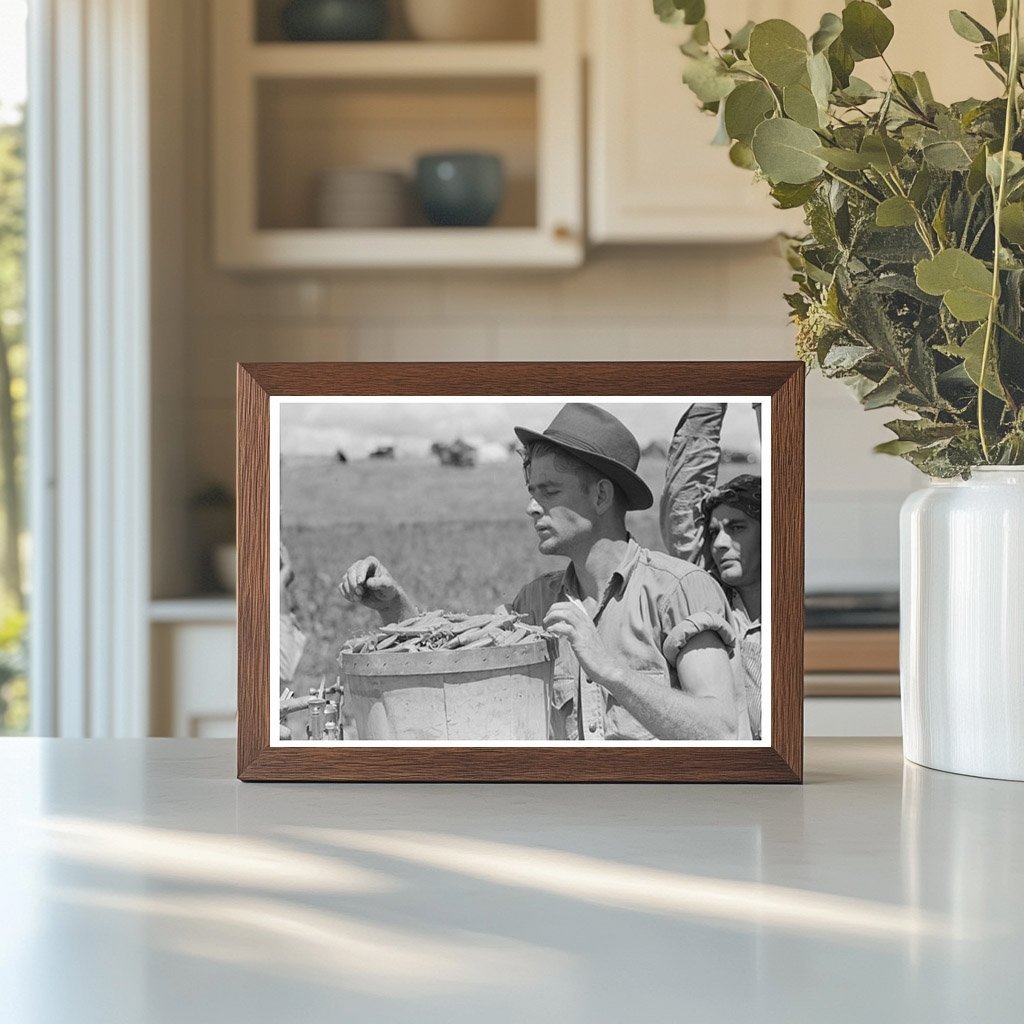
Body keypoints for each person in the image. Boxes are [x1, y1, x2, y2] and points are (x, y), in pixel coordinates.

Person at [340, 403, 748, 741]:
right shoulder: (534, 603)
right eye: (532, 493)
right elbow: (449, 657)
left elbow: (722, 730)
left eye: (549, 492)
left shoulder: (679, 590)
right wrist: (394, 607)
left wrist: (610, 671)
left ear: (601, 494)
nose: (532, 508)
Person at [660, 403, 763, 739]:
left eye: (737, 528)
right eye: (715, 531)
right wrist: (712, 397)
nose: (719, 543)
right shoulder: (712, 601)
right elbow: (684, 501)